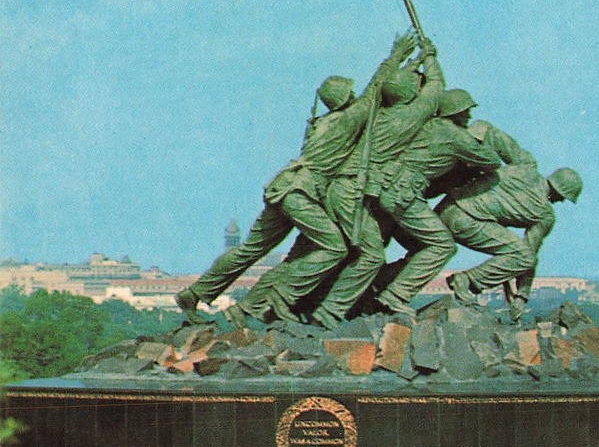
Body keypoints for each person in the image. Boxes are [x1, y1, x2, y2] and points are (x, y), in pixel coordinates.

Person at [176, 31, 416, 322]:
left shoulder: (321, 124)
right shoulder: (346, 121)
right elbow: (375, 91)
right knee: (334, 247)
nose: (355, 96)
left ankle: (196, 293)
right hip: (300, 193)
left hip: (284, 187)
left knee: (251, 250)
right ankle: (281, 297)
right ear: (345, 99)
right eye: (350, 93)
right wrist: (396, 57)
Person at [308, 39, 445, 328]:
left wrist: (407, 62)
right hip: (349, 192)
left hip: (340, 189)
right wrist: (430, 59)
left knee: (357, 250)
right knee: (370, 256)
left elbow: (380, 85)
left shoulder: (371, 111)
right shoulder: (406, 117)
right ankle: (329, 312)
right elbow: (435, 91)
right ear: (410, 96)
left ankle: (327, 304)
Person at [365, 88, 503, 315]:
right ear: (455, 112)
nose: (468, 117)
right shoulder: (454, 135)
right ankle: (395, 295)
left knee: (421, 245)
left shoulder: (430, 126)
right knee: (442, 246)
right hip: (404, 194)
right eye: (465, 112)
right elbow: (492, 160)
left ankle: (378, 282)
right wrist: (479, 138)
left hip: (387, 187)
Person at [439, 159, 583, 322]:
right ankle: (466, 279)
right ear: (559, 192)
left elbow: (508, 258)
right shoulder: (545, 213)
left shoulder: (524, 170)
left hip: (445, 207)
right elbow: (527, 256)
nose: (562, 201)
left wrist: (510, 290)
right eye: (564, 197)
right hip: (465, 220)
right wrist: (522, 296)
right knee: (525, 257)